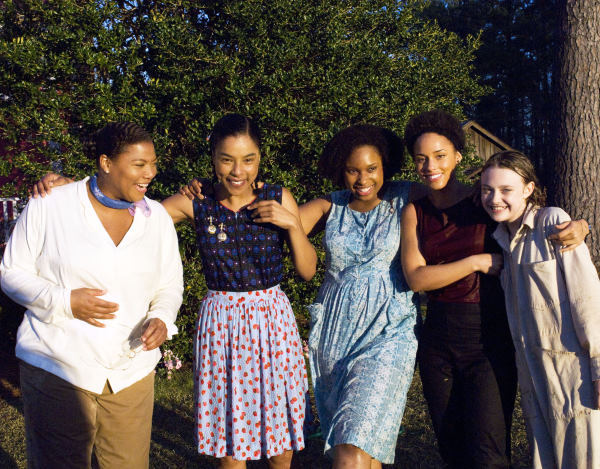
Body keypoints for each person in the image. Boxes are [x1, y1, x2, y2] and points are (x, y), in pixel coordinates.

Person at [400, 109, 590, 468]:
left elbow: (534, 218)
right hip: (437, 338)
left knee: (488, 452)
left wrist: (581, 226)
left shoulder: (484, 201)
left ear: (457, 156)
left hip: (488, 337)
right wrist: (477, 262)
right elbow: (417, 278)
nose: (429, 166)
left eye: (439, 156)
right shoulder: (415, 211)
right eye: (420, 159)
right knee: (451, 446)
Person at [1, 122, 184, 469]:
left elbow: (170, 284)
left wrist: (162, 317)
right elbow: (10, 272)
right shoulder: (51, 204)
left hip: (130, 370)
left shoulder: (156, 217)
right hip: (58, 364)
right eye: (139, 164)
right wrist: (64, 301)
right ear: (105, 162)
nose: (151, 174)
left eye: (153, 163)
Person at [297, 125, 419, 469]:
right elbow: (282, 221)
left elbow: (463, 198)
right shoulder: (329, 206)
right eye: (353, 170)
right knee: (362, 447)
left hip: (388, 332)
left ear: (385, 168)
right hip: (335, 336)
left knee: (350, 447)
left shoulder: (405, 196)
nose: (363, 178)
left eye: (371, 169)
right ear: (342, 169)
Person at [480, 150, 600, 469]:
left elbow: (587, 300)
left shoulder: (552, 222)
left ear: (528, 189)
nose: (495, 198)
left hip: (575, 373)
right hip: (532, 375)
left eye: (506, 190)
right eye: (487, 190)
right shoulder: (501, 237)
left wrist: (599, 367)